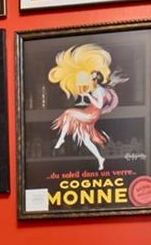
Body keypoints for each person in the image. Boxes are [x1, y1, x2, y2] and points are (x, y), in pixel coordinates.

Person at [46, 41, 127, 171]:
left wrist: (88, 96)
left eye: (92, 77)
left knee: (68, 113)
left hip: (91, 114)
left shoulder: (98, 90)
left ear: (96, 79)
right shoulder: (98, 89)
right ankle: (100, 159)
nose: (90, 79)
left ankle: (61, 139)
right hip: (89, 111)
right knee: (85, 139)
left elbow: (99, 105)